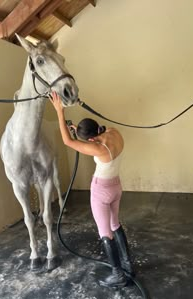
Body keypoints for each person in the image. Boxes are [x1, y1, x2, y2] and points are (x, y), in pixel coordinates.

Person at [49, 91, 135, 287]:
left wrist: (59, 112)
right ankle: (128, 265)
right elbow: (98, 135)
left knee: (105, 232)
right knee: (115, 225)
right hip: (116, 187)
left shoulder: (98, 149)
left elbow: (68, 142)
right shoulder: (114, 133)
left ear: (90, 140)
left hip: (101, 191)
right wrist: (79, 129)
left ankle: (118, 274)